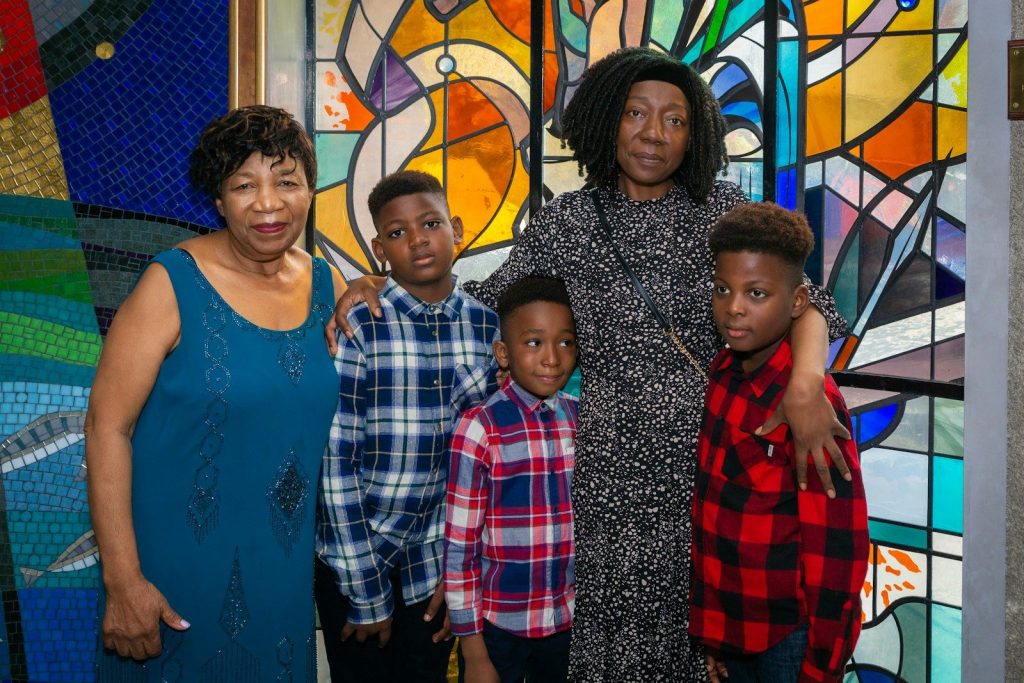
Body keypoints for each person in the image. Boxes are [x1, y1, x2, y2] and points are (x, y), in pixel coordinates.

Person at [331, 47, 851, 681]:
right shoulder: (570, 222)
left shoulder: (719, 212)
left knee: (697, 652)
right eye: (635, 113)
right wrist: (373, 282)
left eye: (675, 120)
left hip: (707, 472)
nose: (653, 133)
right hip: (602, 474)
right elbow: (486, 307)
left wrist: (803, 387)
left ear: (697, 135)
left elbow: (812, 305)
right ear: (608, 120)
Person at [85, 105, 344, 680]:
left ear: (309, 188)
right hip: (171, 576)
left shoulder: (328, 283)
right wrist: (123, 580)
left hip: (282, 573)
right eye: (244, 185)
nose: (269, 203)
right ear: (219, 200)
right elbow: (108, 427)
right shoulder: (170, 282)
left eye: (287, 182)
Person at [315, 170, 500, 682]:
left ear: (456, 230)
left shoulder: (488, 326)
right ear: (379, 248)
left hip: (436, 561)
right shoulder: (361, 325)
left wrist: (459, 572)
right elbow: (335, 459)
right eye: (397, 233)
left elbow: (485, 462)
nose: (417, 239)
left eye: (431, 223)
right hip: (356, 554)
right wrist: (365, 590)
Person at [690, 202, 869, 683]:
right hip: (732, 629)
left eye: (757, 293)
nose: (734, 307)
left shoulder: (812, 404)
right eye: (723, 289)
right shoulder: (722, 375)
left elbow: (838, 550)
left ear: (795, 302)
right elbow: (714, 520)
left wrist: (821, 666)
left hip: (788, 640)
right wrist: (715, 632)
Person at [445, 277, 579, 683]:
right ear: (503, 353)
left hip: (567, 623)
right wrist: (474, 649)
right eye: (534, 342)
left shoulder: (580, 419)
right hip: (500, 627)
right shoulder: (479, 429)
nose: (552, 358)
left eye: (566, 342)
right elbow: (459, 552)